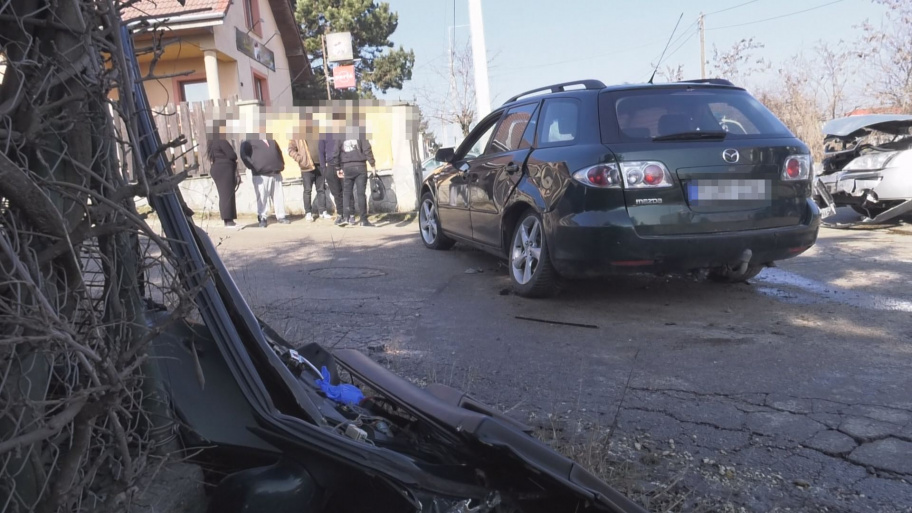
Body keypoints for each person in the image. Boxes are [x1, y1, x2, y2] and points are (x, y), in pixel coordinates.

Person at [240, 133, 289, 227]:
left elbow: (279, 152)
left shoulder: (271, 140)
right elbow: (244, 155)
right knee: (262, 197)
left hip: (275, 172)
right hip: (260, 174)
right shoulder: (249, 140)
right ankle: (262, 217)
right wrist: (254, 166)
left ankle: (281, 216)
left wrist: (281, 164)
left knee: (278, 196)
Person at [331, 125, 376, 227]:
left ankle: (346, 218)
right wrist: (372, 165)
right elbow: (367, 149)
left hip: (347, 167)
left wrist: (338, 168)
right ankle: (363, 220)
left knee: (346, 193)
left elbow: (336, 152)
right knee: (361, 194)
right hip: (360, 166)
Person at [287, 126, 330, 222]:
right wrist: (299, 158)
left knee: (321, 189)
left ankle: (322, 211)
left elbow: (326, 145)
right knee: (307, 190)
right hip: (306, 166)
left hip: (320, 165)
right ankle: (308, 213)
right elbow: (290, 149)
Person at [207, 121, 240, 227]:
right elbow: (232, 155)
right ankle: (229, 220)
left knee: (224, 194)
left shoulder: (211, 142)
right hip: (224, 170)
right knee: (227, 194)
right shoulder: (221, 140)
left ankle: (227, 219)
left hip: (218, 169)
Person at [318, 114, 348, 226]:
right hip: (330, 166)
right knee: (336, 193)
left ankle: (349, 214)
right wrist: (324, 169)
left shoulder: (344, 133)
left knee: (347, 190)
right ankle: (340, 214)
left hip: (343, 164)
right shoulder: (324, 134)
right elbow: (320, 152)